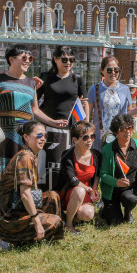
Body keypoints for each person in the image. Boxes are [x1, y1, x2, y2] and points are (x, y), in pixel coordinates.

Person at [0, 45, 67, 171]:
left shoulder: (31, 83)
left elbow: (35, 110)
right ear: (11, 59)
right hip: (3, 133)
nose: (28, 61)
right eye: (24, 57)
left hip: (25, 134)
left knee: (24, 168)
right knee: (3, 169)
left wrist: (53, 122)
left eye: (30, 59)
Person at [0, 121, 65, 245]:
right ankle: (6, 238)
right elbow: (25, 194)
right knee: (55, 221)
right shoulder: (25, 158)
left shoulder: (30, 155)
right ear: (26, 137)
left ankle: (44, 236)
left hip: (17, 207)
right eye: (39, 135)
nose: (43, 139)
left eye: (45, 136)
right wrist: (36, 220)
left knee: (53, 196)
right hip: (7, 217)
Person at [36, 45, 87, 188]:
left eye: (71, 60)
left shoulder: (77, 79)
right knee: (44, 166)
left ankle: (62, 200)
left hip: (69, 131)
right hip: (47, 129)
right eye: (64, 59)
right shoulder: (46, 77)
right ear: (55, 59)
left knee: (65, 166)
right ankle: (44, 199)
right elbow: (35, 104)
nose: (68, 63)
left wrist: (86, 124)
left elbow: (84, 103)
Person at [99, 114, 137, 225]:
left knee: (130, 199)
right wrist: (117, 182)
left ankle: (128, 212)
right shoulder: (107, 149)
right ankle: (106, 208)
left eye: (129, 128)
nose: (127, 131)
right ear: (116, 132)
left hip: (130, 189)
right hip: (112, 190)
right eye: (122, 129)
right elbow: (103, 174)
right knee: (114, 222)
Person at [87, 56, 137, 145]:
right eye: (109, 70)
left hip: (120, 134)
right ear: (102, 71)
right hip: (100, 136)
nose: (113, 73)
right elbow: (87, 114)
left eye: (116, 70)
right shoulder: (94, 89)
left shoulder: (125, 89)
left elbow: (127, 113)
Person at [55, 121, 102, 235]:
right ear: (75, 140)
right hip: (68, 191)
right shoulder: (67, 155)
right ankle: (69, 224)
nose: (90, 140)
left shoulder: (96, 154)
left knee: (88, 214)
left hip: (86, 191)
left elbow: (97, 174)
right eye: (85, 137)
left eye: (92, 136)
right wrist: (89, 190)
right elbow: (72, 180)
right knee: (79, 191)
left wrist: (94, 188)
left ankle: (74, 216)